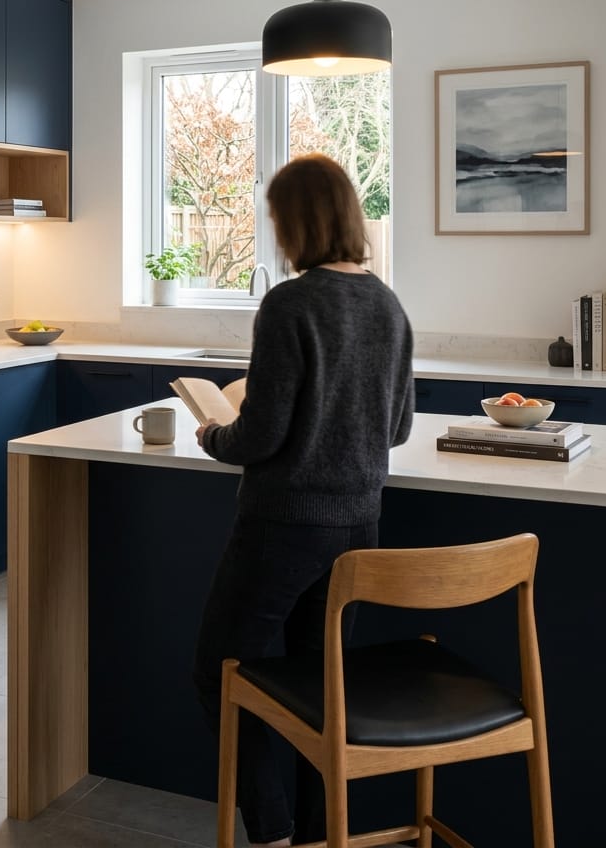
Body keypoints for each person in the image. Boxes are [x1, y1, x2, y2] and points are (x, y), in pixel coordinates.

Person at [192, 153, 415, 847]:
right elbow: (399, 427)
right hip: (359, 526)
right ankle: (323, 836)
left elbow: (259, 435)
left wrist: (211, 433)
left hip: (282, 526)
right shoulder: (388, 302)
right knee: (324, 687)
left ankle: (272, 831)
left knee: (223, 673)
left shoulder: (290, 303)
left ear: (295, 223)